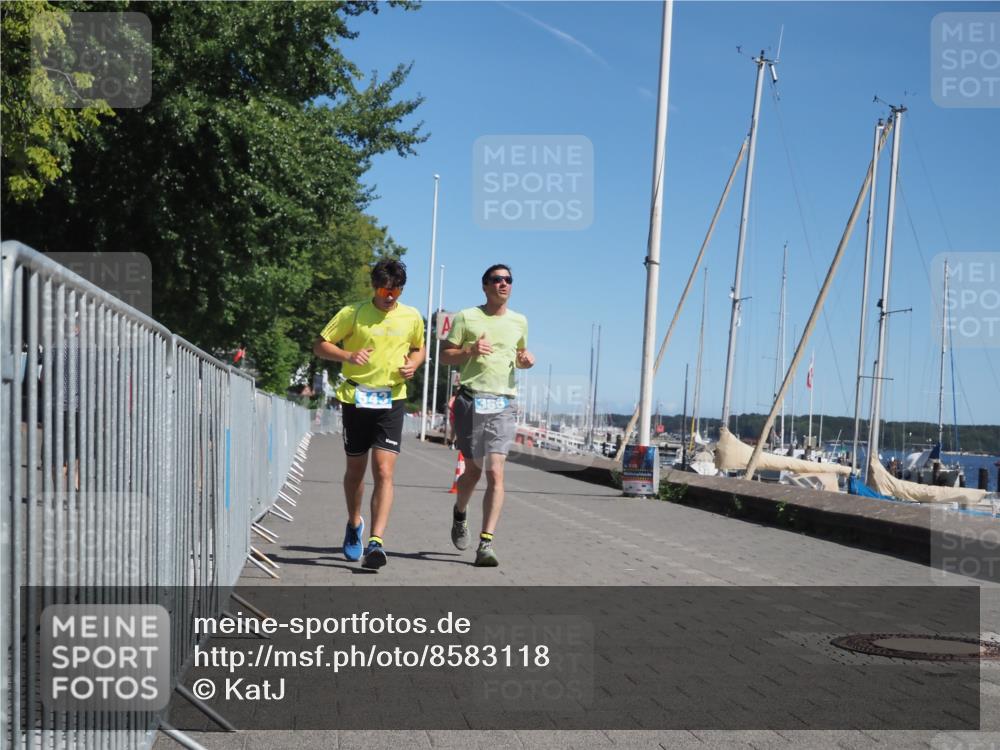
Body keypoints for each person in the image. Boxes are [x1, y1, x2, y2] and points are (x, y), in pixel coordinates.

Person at [313, 259, 425, 570]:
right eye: (383, 289)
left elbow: (420, 347)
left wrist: (414, 364)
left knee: (384, 471)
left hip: (392, 399)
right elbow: (320, 345)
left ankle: (376, 542)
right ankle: (353, 523)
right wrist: (348, 355)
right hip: (356, 398)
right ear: (374, 286)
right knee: (355, 472)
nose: (390, 296)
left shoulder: (412, 316)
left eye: (396, 290)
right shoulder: (353, 313)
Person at [440, 264, 534, 567]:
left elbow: (518, 357)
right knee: (473, 472)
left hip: (503, 404)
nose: (503, 284)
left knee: (495, 472)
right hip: (470, 401)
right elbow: (444, 355)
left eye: (508, 280)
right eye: (497, 280)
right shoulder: (467, 317)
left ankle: (486, 543)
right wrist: (469, 350)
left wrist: (525, 361)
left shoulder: (520, 321)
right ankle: (460, 513)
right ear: (485, 286)